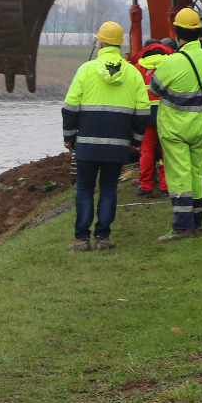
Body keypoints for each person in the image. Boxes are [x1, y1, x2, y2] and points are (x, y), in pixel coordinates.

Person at [62, 20, 152, 251]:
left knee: (84, 188)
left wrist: (69, 136)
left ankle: (82, 239)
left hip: (87, 143)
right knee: (109, 188)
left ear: (99, 43)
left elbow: (70, 106)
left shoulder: (86, 69)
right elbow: (143, 111)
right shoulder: (132, 73)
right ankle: (103, 237)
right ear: (120, 45)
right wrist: (135, 140)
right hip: (118, 143)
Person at [150, 9, 202, 241]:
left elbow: (155, 88)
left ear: (177, 31)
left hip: (175, 128)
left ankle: (182, 227)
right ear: (198, 31)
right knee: (197, 172)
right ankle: (197, 221)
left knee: (179, 175)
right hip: (200, 125)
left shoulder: (174, 61)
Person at [132, 40, 176, 197]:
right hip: (166, 114)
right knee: (168, 151)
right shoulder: (170, 64)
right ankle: (166, 186)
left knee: (147, 151)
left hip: (145, 115)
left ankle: (146, 186)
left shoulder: (138, 67)